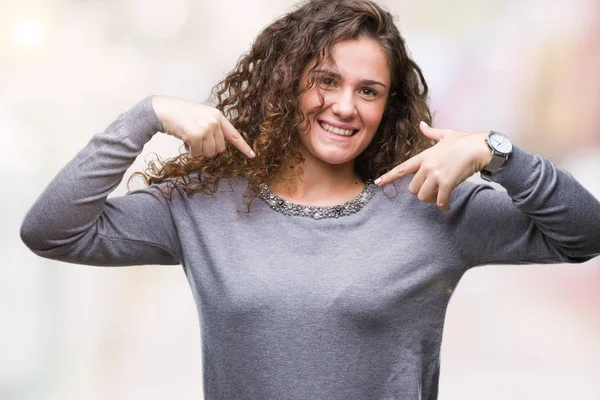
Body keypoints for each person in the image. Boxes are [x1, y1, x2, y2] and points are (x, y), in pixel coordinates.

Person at [20, 0, 600, 399]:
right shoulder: (202, 207)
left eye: (367, 91)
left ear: (387, 106)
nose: (345, 106)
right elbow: (51, 229)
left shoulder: (433, 204)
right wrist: (146, 115)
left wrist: (499, 154)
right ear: (286, 83)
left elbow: (585, 233)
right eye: (325, 80)